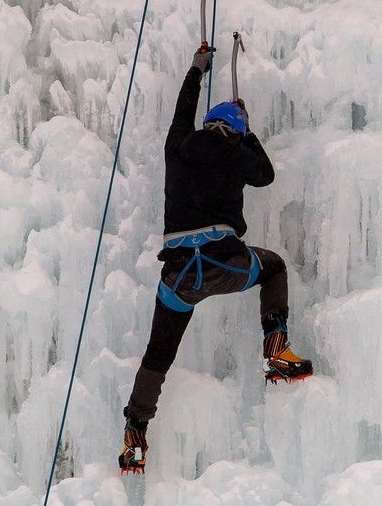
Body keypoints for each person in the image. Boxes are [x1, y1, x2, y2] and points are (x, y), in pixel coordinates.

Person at [119, 46, 313, 474]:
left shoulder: (178, 147)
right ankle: (276, 351)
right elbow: (265, 174)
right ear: (236, 132)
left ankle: (135, 432)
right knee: (274, 267)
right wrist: (250, 135)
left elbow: (180, 112)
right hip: (225, 264)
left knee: (159, 352)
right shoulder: (235, 153)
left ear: (209, 124)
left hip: (179, 276)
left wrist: (196, 68)